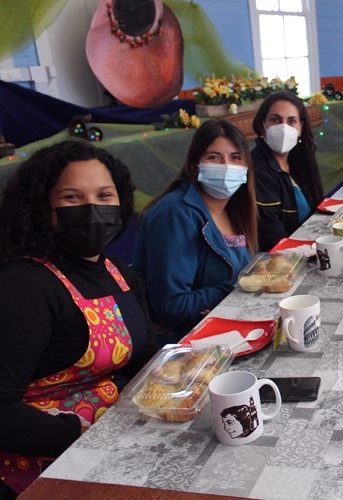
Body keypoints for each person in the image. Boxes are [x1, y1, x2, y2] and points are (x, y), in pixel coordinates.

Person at [0, 140, 157, 498]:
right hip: (35, 466)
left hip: (109, 437)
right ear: (42, 207)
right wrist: (78, 434)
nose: (92, 208)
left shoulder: (117, 271)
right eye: (72, 198)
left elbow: (145, 356)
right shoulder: (24, 285)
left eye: (104, 195)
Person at [134, 120, 257, 343]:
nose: (226, 166)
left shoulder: (233, 210)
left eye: (235, 157)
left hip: (227, 327)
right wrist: (238, 288)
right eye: (214, 157)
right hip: (185, 342)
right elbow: (172, 306)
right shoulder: (175, 215)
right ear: (194, 165)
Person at [251, 91, 324, 251]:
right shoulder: (256, 168)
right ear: (262, 125)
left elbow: (319, 209)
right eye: (275, 119)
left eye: (291, 121)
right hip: (283, 259)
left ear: (300, 128)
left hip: (309, 245)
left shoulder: (301, 160)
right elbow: (272, 238)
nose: (283, 127)